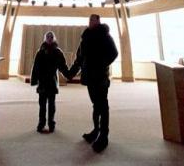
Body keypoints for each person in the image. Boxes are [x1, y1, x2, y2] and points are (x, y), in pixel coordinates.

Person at [68, 14, 118, 153]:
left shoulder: (105, 36)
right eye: (89, 20)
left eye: (93, 20)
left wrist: (101, 65)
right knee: (96, 105)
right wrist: (71, 73)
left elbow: (114, 53)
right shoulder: (86, 38)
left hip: (101, 77)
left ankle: (104, 136)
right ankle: (96, 130)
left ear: (98, 21)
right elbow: (79, 58)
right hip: (89, 77)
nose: (90, 22)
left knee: (102, 105)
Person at [30, 31, 70, 133]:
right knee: (42, 105)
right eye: (47, 37)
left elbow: (62, 66)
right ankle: (41, 123)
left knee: (51, 104)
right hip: (42, 82)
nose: (49, 38)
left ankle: (51, 124)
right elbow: (36, 67)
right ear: (45, 38)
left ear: (54, 38)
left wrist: (69, 75)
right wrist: (34, 80)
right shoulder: (40, 52)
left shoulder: (57, 52)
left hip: (52, 81)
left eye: (51, 37)